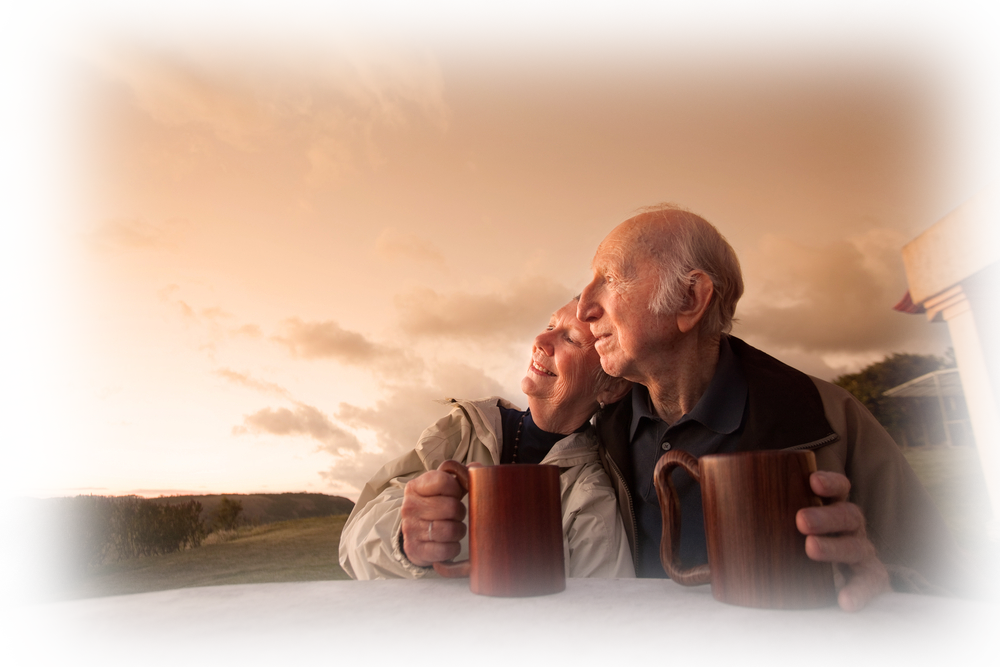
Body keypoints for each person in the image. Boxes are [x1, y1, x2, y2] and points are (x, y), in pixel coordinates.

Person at [576, 203, 1000, 611]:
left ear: (690, 298)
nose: (584, 307)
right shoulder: (598, 430)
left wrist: (885, 587)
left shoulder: (830, 417)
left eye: (610, 279)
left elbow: (966, 607)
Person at [339, 298, 635, 580]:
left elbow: (600, 614)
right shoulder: (463, 430)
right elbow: (353, 542)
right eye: (550, 326)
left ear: (611, 387)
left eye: (570, 338)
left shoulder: (590, 496)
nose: (541, 342)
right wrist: (402, 539)